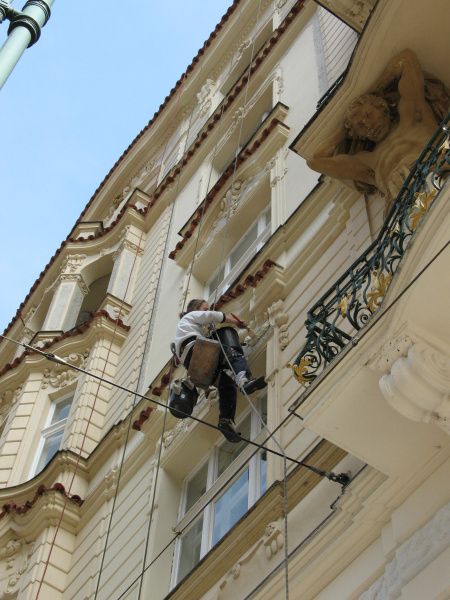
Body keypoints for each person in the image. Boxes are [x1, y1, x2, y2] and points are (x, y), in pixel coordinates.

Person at [308, 49, 440, 201]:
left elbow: (407, 59)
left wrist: (375, 92)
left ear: (382, 106)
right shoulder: (368, 161)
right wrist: (347, 129)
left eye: (368, 115)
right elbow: (316, 162)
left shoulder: (412, 117)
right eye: (361, 126)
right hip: (412, 207)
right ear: (358, 135)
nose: (368, 124)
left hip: (440, 172)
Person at [174, 299, 266, 442]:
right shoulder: (190, 317)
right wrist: (234, 321)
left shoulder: (186, 328)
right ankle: (244, 381)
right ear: (195, 310)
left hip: (194, 364)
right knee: (232, 354)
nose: (207, 311)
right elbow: (210, 316)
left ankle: (225, 420)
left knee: (226, 383)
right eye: (204, 309)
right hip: (196, 348)